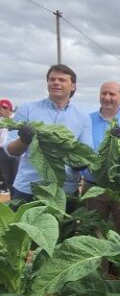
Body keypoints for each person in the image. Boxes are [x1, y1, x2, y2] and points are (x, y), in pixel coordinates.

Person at [4, 64, 92, 201]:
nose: (56, 82)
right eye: (52, 79)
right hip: (28, 187)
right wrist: (24, 140)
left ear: (73, 86)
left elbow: (86, 153)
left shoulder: (82, 118)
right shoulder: (26, 110)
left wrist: (79, 162)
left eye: (62, 80)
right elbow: (10, 150)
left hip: (64, 190)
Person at [85, 81, 120, 238]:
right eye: (103, 93)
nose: (107, 97)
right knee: (95, 234)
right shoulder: (87, 120)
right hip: (94, 187)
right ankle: (101, 264)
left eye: (112, 94)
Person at [0, 99, 19, 193]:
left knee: (16, 176)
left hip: (15, 152)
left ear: (6, 108)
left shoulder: (17, 119)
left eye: (0, 109)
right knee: (6, 176)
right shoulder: (2, 121)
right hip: (3, 151)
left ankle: (16, 197)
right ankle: (11, 196)